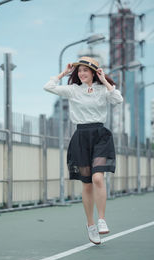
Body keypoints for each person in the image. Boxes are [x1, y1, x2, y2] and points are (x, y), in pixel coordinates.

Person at [43, 56, 123, 245]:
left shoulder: (102, 89)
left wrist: (104, 80)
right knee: (87, 184)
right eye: (79, 71)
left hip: (100, 136)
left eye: (85, 70)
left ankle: (102, 219)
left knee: (98, 178)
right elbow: (48, 87)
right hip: (81, 136)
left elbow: (117, 99)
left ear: (94, 72)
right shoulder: (72, 90)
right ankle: (90, 225)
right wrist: (64, 73)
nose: (82, 73)